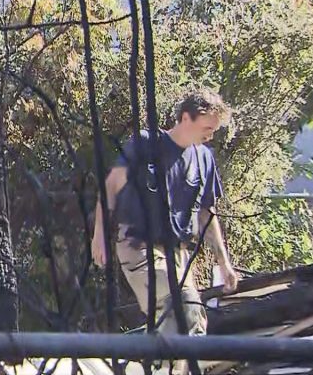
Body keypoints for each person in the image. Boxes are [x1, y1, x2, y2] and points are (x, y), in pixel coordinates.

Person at [91, 88, 240, 346]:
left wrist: (224, 263)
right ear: (185, 118)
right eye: (207, 127)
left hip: (178, 254)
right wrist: (99, 236)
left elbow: (207, 214)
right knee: (187, 307)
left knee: (177, 322)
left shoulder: (204, 159)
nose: (210, 135)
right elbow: (111, 187)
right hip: (139, 246)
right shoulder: (145, 145)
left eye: (214, 130)